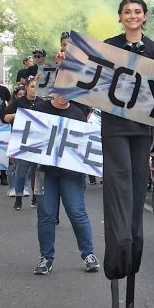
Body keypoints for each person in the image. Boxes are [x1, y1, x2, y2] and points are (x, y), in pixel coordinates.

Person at [101, 0, 154, 308]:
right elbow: (90, 85)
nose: (132, 16)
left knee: (136, 220)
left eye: (138, 11)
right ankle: (115, 289)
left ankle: (130, 294)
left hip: (142, 135)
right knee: (118, 213)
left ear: (144, 17)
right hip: (114, 132)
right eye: (127, 11)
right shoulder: (108, 47)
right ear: (120, 16)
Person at [31, 93, 99, 276]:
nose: (65, 95)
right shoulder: (39, 109)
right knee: (45, 214)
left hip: (71, 173)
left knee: (77, 212)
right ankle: (46, 258)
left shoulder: (77, 114)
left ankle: (89, 255)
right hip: (43, 171)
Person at [4, 76, 39, 208]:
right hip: (22, 142)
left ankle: (36, 198)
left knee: (37, 172)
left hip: (38, 143)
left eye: (36, 87)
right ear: (26, 88)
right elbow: (5, 118)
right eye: (32, 86)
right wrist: (17, 115)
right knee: (21, 171)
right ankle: (18, 198)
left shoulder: (41, 103)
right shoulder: (19, 102)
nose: (34, 90)